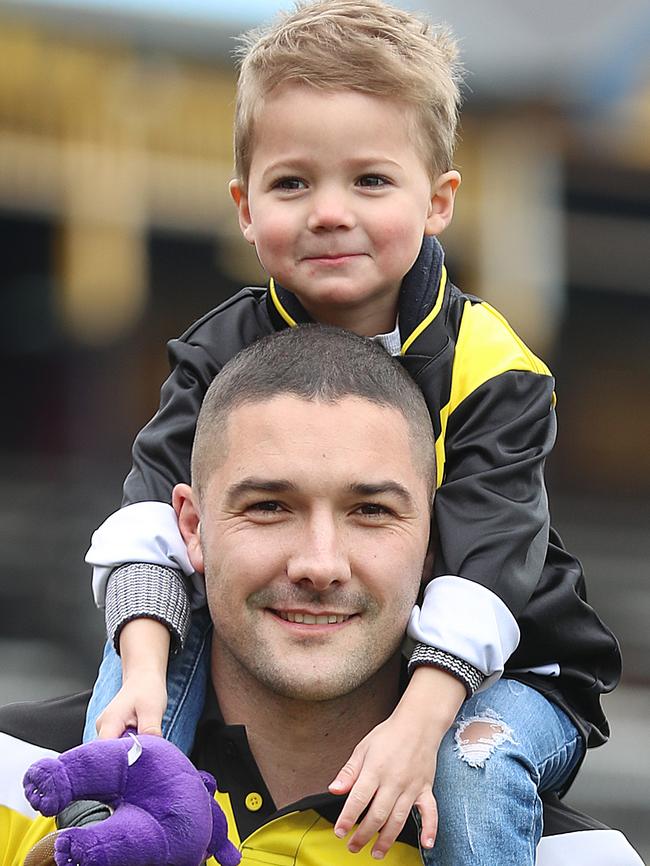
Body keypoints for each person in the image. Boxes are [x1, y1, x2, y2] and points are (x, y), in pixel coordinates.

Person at [81, 0, 621, 861]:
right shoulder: (219, 349)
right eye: (293, 183)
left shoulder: (493, 365)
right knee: (121, 745)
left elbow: (488, 571)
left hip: (503, 667)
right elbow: (150, 525)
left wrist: (418, 724)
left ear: (439, 200)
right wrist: (144, 675)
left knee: (469, 775)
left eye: (370, 181)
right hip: (295, 647)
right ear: (245, 207)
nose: (330, 213)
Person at [0, 328, 641, 866]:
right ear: (189, 528)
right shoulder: (15, 775)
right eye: (270, 506)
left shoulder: (566, 855)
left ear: (435, 550)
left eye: (370, 511)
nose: (319, 565)